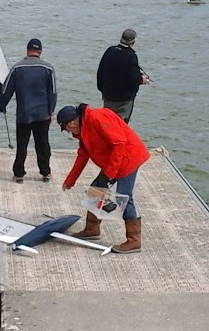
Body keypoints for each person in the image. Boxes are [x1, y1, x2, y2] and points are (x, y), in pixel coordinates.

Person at [57, 103, 150, 253]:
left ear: (72, 123)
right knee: (96, 190)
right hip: (114, 162)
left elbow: (120, 143)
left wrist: (110, 173)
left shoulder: (98, 117)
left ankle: (134, 241)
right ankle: (92, 229)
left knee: (125, 197)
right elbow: (82, 156)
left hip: (129, 158)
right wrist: (70, 180)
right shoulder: (84, 130)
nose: (69, 132)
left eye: (66, 128)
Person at [0, 38, 57, 183]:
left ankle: (19, 174)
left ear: (27, 50)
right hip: (42, 114)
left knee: (22, 145)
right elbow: (53, 93)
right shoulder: (49, 69)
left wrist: (2, 106)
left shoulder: (17, 68)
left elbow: (6, 91)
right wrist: (50, 111)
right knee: (43, 144)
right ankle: (45, 173)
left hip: (24, 114)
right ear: (40, 51)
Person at [96, 28, 150, 123]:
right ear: (133, 42)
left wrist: (104, 91)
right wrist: (142, 80)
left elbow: (100, 73)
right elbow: (133, 79)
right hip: (124, 101)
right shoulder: (131, 56)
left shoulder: (110, 51)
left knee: (108, 124)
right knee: (121, 126)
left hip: (108, 97)